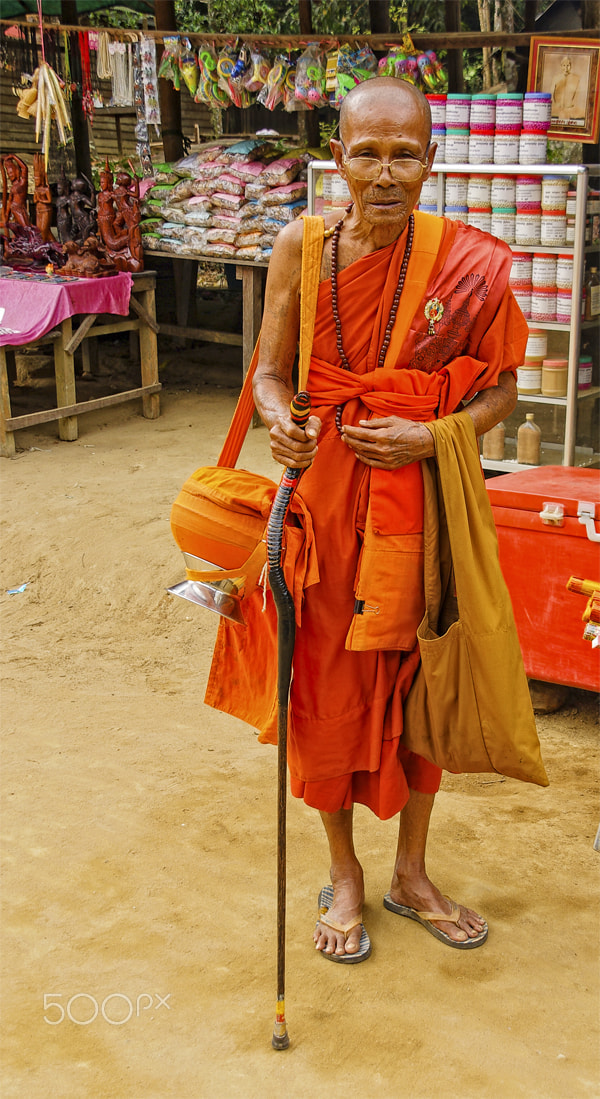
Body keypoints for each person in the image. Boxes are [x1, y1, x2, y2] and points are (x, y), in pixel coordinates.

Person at [206, 77, 529, 960]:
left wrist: (436, 436)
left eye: (404, 154)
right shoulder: (298, 247)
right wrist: (278, 413)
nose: (385, 173)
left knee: (419, 681)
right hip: (322, 503)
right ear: (338, 155)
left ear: (430, 161)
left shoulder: (469, 260)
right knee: (326, 693)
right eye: (366, 152)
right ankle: (346, 872)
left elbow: (503, 387)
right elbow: (270, 371)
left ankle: (411, 871)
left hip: (418, 505)